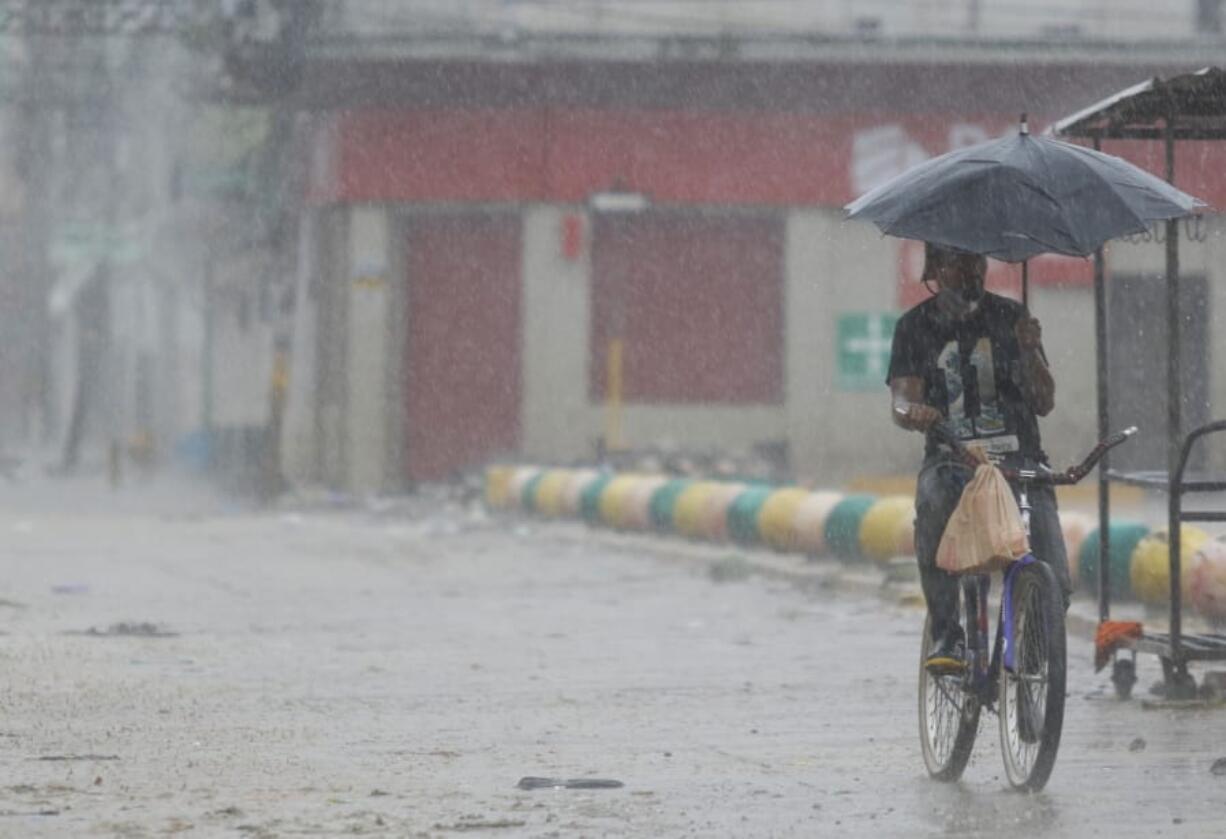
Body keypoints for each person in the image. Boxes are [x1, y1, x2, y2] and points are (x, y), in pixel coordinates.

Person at [887, 242, 1071, 673]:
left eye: (978, 260)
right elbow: (901, 400)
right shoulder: (913, 327)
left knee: (1056, 578)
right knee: (932, 506)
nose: (971, 271)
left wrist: (1029, 351)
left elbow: (1043, 402)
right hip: (952, 461)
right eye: (958, 262)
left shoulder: (1012, 318)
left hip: (1019, 459)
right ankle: (948, 632)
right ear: (935, 268)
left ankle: (1030, 659)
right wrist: (910, 412)